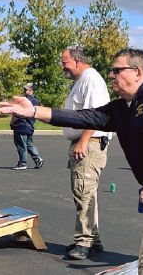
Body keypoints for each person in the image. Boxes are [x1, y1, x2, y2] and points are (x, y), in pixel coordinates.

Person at [0, 48, 143, 274]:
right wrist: (34, 111)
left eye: (116, 70)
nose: (111, 75)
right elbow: (80, 117)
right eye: (111, 71)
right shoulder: (120, 109)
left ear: (137, 72)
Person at [58, 48, 111, 260]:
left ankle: (84, 242)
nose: (62, 66)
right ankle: (93, 238)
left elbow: (97, 113)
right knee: (87, 192)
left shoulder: (91, 80)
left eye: (65, 62)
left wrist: (83, 140)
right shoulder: (82, 81)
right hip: (84, 143)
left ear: (78, 61)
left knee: (83, 193)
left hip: (89, 144)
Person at [10, 82, 44, 170]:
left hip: (22, 125)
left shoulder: (27, 101)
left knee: (21, 144)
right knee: (29, 144)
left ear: (32, 91)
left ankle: (22, 163)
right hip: (29, 126)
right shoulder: (35, 101)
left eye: (26, 89)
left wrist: (12, 121)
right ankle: (38, 159)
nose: (24, 91)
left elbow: (19, 112)